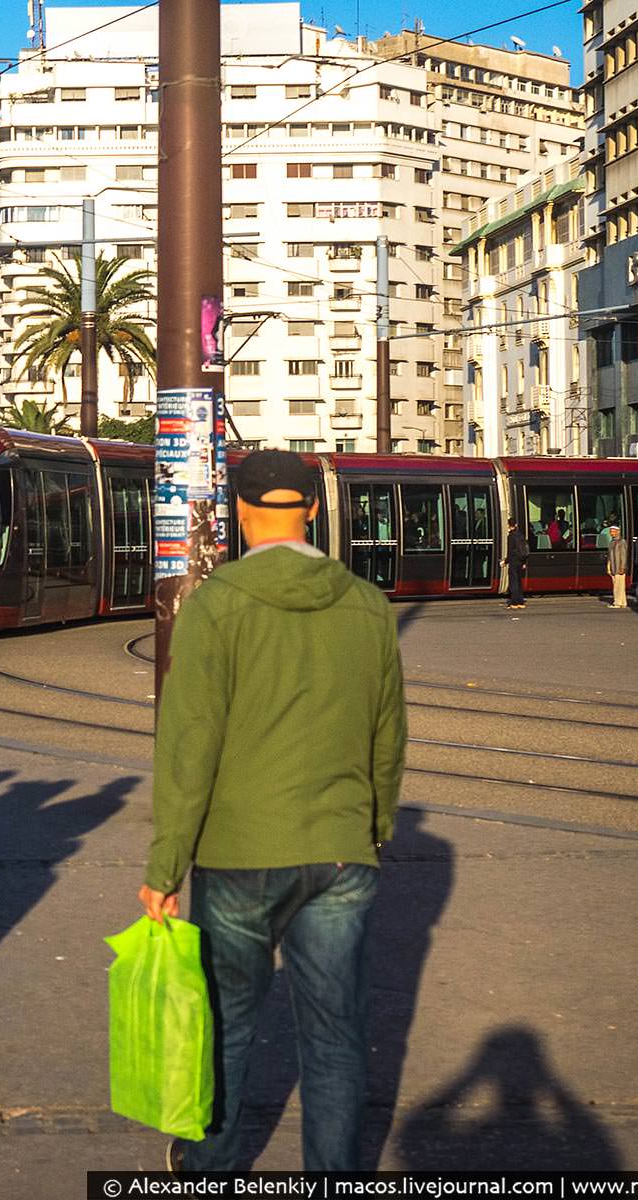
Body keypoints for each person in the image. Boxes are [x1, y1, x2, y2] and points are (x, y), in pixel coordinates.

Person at [141, 450, 406, 1172]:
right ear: (314, 512)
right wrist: (373, 830)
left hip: (237, 855)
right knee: (335, 1038)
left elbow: (190, 747)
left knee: (226, 1023)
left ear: (242, 513)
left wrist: (166, 864)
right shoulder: (369, 606)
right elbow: (388, 740)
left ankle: (211, 1164)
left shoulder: (216, 605)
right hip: (342, 852)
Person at [504, 516, 528, 609]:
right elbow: (524, 549)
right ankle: (520, 602)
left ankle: (514, 602)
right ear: (516, 525)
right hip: (521, 561)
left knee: (513, 582)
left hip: (513, 562)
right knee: (519, 582)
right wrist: (524, 562)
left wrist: (505, 561)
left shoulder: (511, 536)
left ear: (509, 525)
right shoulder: (521, 535)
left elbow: (510, 552)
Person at [604, 524, 628, 609]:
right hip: (613, 567)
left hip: (619, 567)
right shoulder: (611, 542)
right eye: (611, 531)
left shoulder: (622, 542)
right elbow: (609, 557)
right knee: (617, 585)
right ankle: (622, 602)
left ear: (618, 532)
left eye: (613, 531)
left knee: (619, 586)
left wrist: (622, 567)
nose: (612, 533)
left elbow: (624, 556)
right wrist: (608, 567)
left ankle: (617, 602)